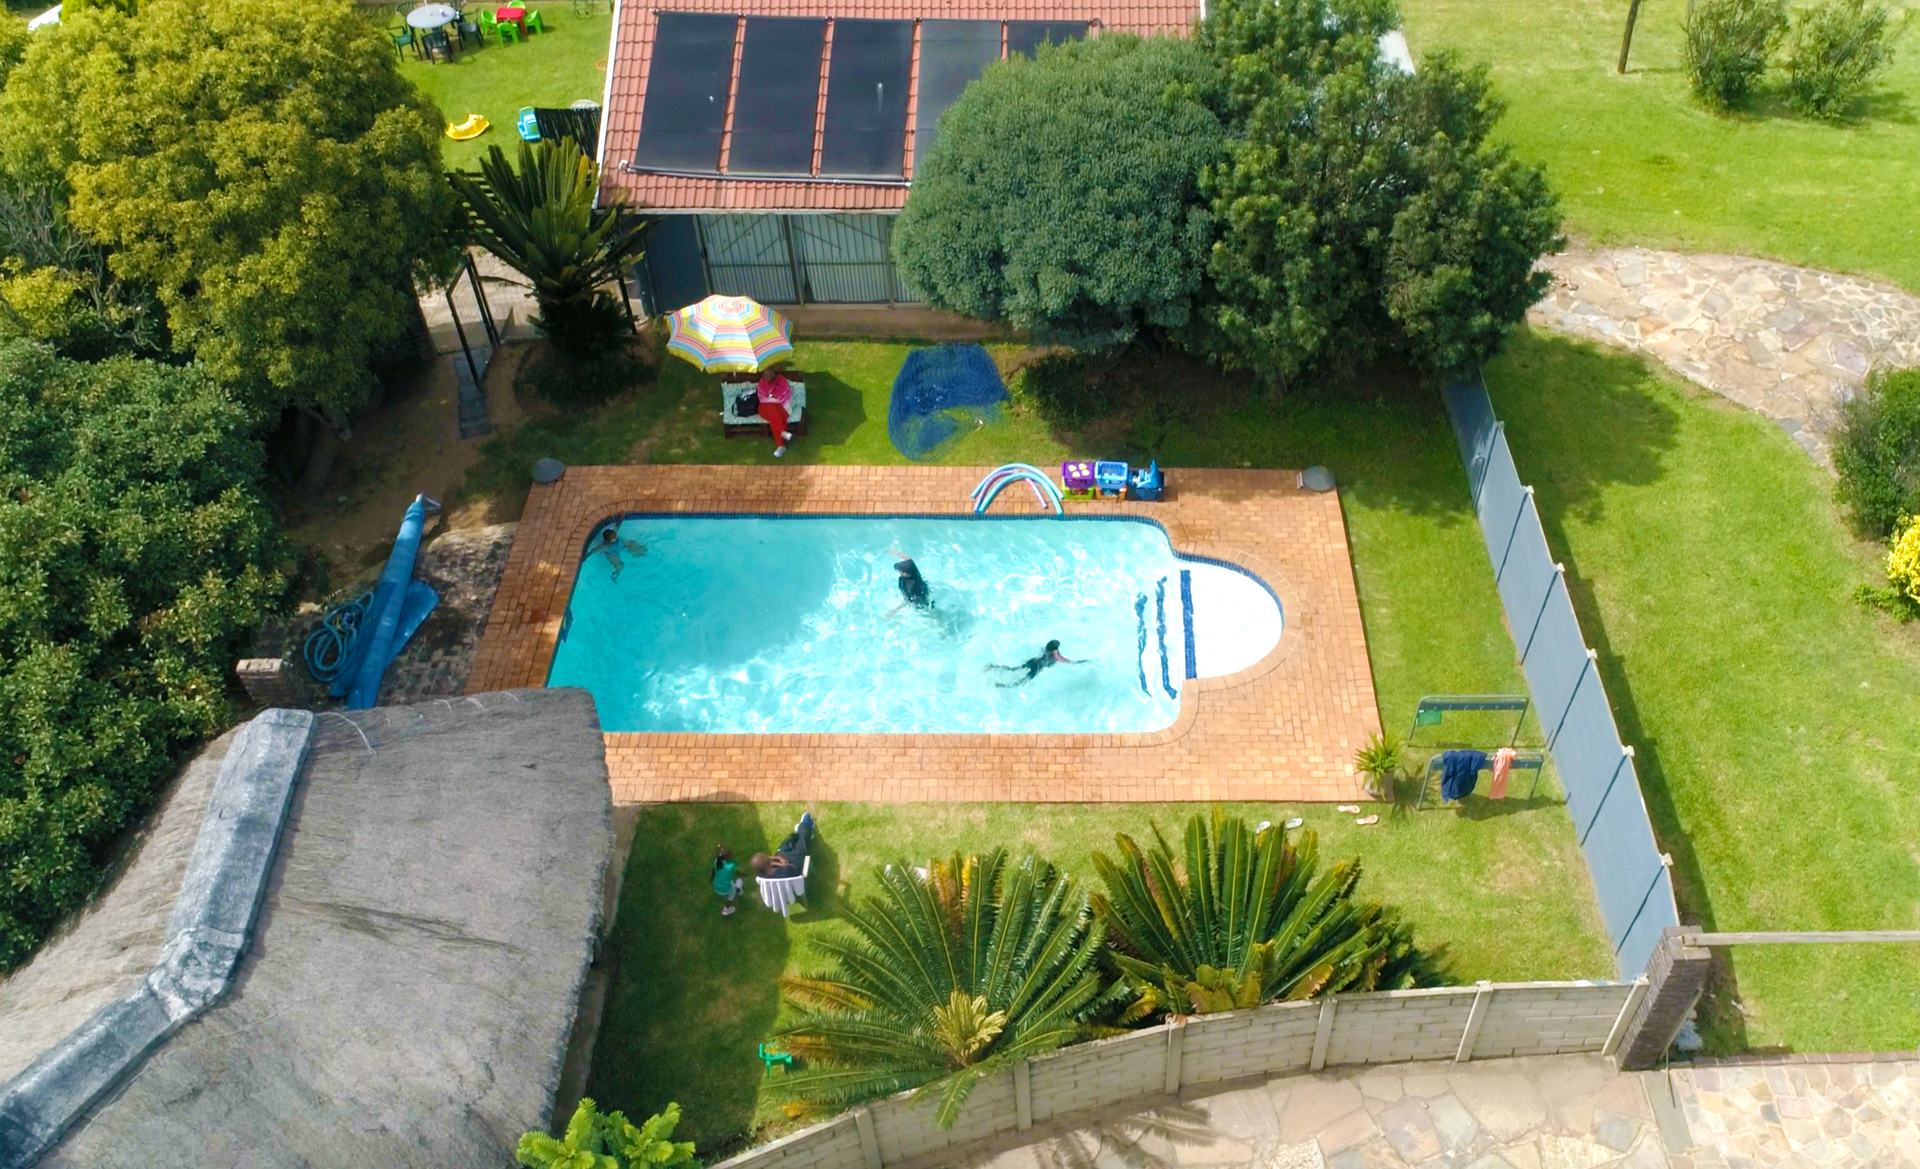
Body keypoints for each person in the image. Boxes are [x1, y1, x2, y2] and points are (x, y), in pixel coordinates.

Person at [987, 639, 1080, 687]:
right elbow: (1060, 658)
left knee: (1013, 669)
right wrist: (1075, 662)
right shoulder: (1055, 653)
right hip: (1038, 666)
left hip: (1034, 660)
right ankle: (1000, 686)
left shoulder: (1046, 649)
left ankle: (993, 667)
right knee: (1021, 682)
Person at [750, 811, 815, 879]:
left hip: (783, 855)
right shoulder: (785, 871)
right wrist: (781, 863)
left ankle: (800, 831)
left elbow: (765, 863)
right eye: (767, 857)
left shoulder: (761, 875)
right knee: (804, 837)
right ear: (768, 863)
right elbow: (793, 868)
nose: (769, 857)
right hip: (795, 861)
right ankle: (805, 824)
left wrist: (778, 858)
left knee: (790, 839)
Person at [756, 369, 795, 458]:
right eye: (765, 375)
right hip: (765, 407)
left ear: (774, 374)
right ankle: (782, 432)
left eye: (769, 375)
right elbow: (762, 397)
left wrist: (771, 396)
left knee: (776, 417)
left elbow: (784, 394)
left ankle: (780, 445)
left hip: (781, 406)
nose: (767, 377)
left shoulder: (781, 381)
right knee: (773, 411)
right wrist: (772, 396)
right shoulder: (762, 383)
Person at [889, 550, 933, 614]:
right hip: (923, 588)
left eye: (900, 570)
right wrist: (896, 553)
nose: (898, 571)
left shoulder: (910, 586)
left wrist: (895, 611)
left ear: (906, 574)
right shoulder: (913, 568)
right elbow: (908, 559)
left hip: (919, 601)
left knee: (926, 609)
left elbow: (908, 601)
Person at [711, 845, 742, 916]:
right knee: (739, 882)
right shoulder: (731, 866)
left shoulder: (716, 862)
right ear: (728, 857)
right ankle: (726, 909)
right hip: (725, 889)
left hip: (716, 886)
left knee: (732, 883)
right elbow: (739, 873)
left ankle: (737, 890)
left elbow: (713, 873)